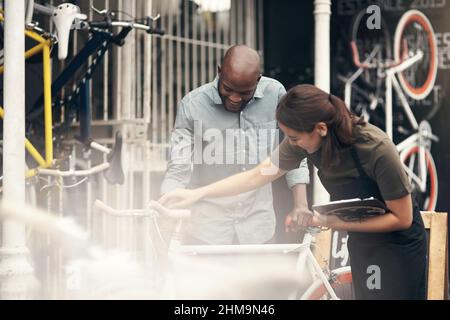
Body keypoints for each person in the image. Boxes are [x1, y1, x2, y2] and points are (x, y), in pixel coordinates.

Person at [159, 84, 428, 300]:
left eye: (296, 138)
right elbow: (257, 175)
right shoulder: (303, 142)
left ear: (321, 129)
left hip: (399, 245)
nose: (292, 144)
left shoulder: (376, 149)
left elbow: (401, 218)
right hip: (361, 240)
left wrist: (331, 221)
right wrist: (197, 194)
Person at [160, 45, 309, 245]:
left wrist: (301, 204)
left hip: (258, 227)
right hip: (206, 230)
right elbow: (178, 166)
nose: (234, 98)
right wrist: (166, 205)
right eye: (228, 89)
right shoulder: (192, 105)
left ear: (258, 80)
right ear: (219, 71)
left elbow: (294, 153)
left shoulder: (275, 94)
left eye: (244, 92)